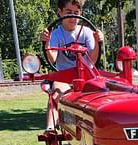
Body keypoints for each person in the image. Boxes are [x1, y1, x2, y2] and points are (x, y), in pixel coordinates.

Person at [40, 0, 104, 131]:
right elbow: (52, 59)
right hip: (64, 76)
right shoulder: (56, 34)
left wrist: (97, 42)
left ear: (81, 14)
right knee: (57, 93)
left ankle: (101, 127)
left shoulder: (87, 32)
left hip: (86, 75)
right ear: (60, 12)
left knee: (100, 95)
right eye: (69, 13)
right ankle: (51, 128)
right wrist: (46, 44)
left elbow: (92, 60)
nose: (73, 17)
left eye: (76, 13)